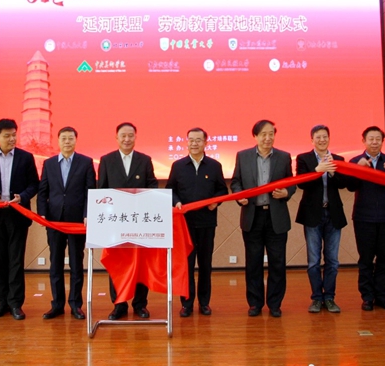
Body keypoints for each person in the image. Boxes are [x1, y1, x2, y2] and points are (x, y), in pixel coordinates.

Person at [231, 120, 295, 318]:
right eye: (263, 134)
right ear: (256, 136)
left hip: (276, 217)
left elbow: (291, 182)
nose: (268, 138)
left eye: (271, 134)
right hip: (253, 216)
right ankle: (255, 303)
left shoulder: (283, 157)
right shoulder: (243, 156)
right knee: (253, 263)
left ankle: (275, 304)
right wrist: (239, 195)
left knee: (278, 262)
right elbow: (236, 182)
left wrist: (286, 192)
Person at [0, 119, 39, 320]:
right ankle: (1, 302)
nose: (12, 139)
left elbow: (34, 184)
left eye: (13, 135)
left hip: (17, 214)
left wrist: (23, 197)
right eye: (7, 136)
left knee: (16, 261)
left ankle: (15, 304)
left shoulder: (25, 157)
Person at [98, 122, 158, 320]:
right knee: (117, 263)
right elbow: (101, 190)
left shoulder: (145, 160)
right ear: (116, 138)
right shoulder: (107, 160)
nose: (127, 139)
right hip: (115, 221)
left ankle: (140, 305)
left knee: (140, 263)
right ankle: (119, 304)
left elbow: (152, 186)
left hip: (139, 221)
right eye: (123, 135)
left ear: (135, 137)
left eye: (130, 135)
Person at [166, 127, 228, 317]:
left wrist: (216, 201)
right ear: (187, 142)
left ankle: (204, 302)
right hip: (184, 224)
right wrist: (176, 202)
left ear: (205, 143)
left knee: (205, 264)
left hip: (207, 222)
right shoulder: (178, 166)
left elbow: (222, 190)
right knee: (186, 265)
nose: (194, 143)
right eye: (191, 140)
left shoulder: (214, 166)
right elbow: (170, 190)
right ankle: (186, 303)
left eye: (198, 140)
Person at [38, 127, 96, 320]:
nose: (67, 142)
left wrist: (87, 214)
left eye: (70, 138)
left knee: (76, 263)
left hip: (77, 221)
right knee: (55, 263)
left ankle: (75, 305)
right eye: (63, 138)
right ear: (58, 141)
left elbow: (90, 192)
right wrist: (42, 214)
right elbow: (43, 191)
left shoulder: (86, 162)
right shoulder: (49, 163)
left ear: (75, 141)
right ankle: (57, 305)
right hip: (54, 220)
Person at [295, 125, 348, 314]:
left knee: (332, 260)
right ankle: (317, 298)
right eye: (318, 137)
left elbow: (344, 184)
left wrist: (333, 172)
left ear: (329, 139)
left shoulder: (338, 159)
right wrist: (317, 170)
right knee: (314, 261)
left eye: (325, 136)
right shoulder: (304, 158)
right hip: (312, 215)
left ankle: (330, 297)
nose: (322, 140)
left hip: (333, 214)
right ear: (312, 140)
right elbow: (301, 183)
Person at [348, 126, 385, 311]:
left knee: (384, 259)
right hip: (364, 218)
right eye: (371, 139)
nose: (374, 142)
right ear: (364, 141)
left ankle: (382, 297)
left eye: (378, 139)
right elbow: (350, 186)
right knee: (366, 259)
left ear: (382, 141)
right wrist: (358, 170)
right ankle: (367, 297)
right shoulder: (356, 161)